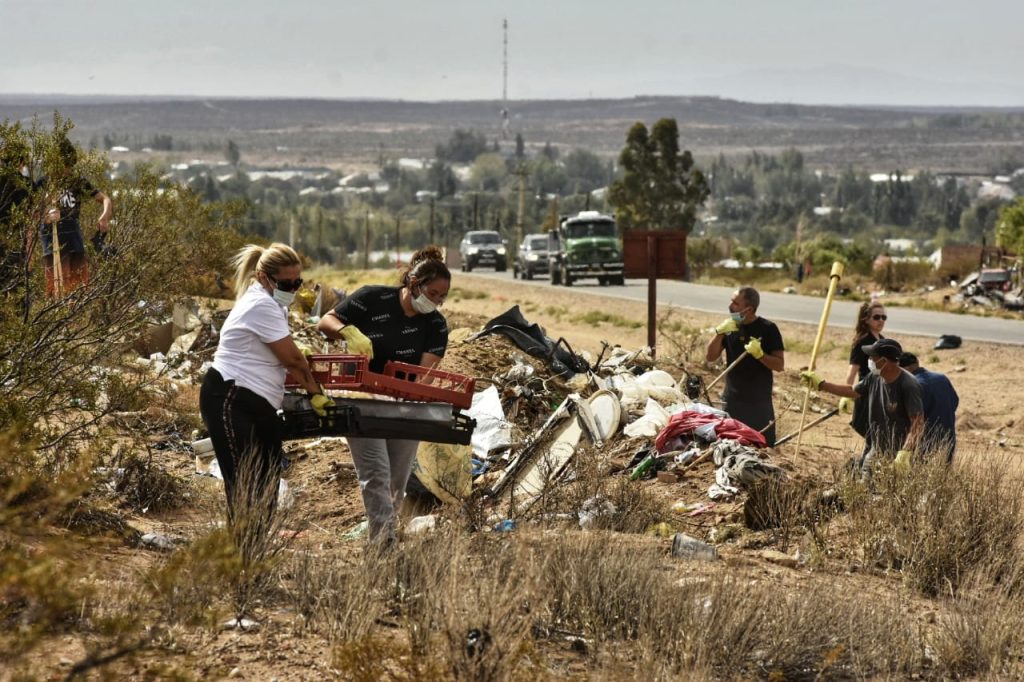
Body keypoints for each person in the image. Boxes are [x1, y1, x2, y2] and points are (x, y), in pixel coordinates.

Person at [317, 246, 450, 544]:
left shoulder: (436, 325)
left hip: (403, 404)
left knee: (397, 480)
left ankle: (383, 536)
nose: (436, 301)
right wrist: (348, 332)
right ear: (414, 284)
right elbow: (325, 322)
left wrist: (402, 389)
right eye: (432, 293)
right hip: (361, 401)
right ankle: (383, 545)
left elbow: (422, 375)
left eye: (442, 297)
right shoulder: (371, 298)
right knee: (375, 473)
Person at [199, 243, 331, 528]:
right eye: (286, 283)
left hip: (259, 402)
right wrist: (316, 394)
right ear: (263, 277)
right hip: (231, 397)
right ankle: (242, 552)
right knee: (245, 486)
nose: (293, 289)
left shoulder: (274, 304)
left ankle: (256, 549)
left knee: (268, 481)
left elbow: (278, 350)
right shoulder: (261, 304)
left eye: (297, 282)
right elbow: (293, 361)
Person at [801, 338, 923, 475]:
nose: (869, 360)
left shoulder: (908, 384)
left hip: (897, 453)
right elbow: (853, 391)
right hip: (875, 447)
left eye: (872, 357)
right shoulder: (875, 377)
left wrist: (905, 452)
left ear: (884, 361)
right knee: (865, 480)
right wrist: (822, 385)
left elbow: (917, 422)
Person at [705, 286, 785, 445]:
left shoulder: (768, 329)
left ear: (749, 309)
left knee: (763, 447)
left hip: (759, 403)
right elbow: (710, 357)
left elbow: (779, 365)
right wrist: (719, 333)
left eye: (735, 303)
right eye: (731, 301)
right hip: (732, 400)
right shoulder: (730, 327)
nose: (730, 306)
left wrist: (760, 355)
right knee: (729, 446)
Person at [34, 138, 113, 296]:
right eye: (64, 164)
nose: (67, 169)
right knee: (55, 289)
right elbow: (32, 212)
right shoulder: (43, 183)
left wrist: (104, 216)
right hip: (52, 241)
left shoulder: (77, 181)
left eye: (69, 165)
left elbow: (105, 199)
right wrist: (46, 217)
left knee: (78, 290)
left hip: (74, 240)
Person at [898, 351, 959, 463]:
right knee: (943, 471)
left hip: (924, 441)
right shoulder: (942, 378)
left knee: (920, 471)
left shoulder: (913, 386)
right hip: (948, 437)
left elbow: (909, 417)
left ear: (905, 369)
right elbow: (955, 402)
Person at [841, 301, 888, 434]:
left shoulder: (883, 340)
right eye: (876, 317)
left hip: (882, 392)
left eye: (883, 317)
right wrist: (846, 395)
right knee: (869, 431)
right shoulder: (862, 341)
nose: (881, 320)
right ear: (866, 320)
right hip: (867, 391)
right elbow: (852, 371)